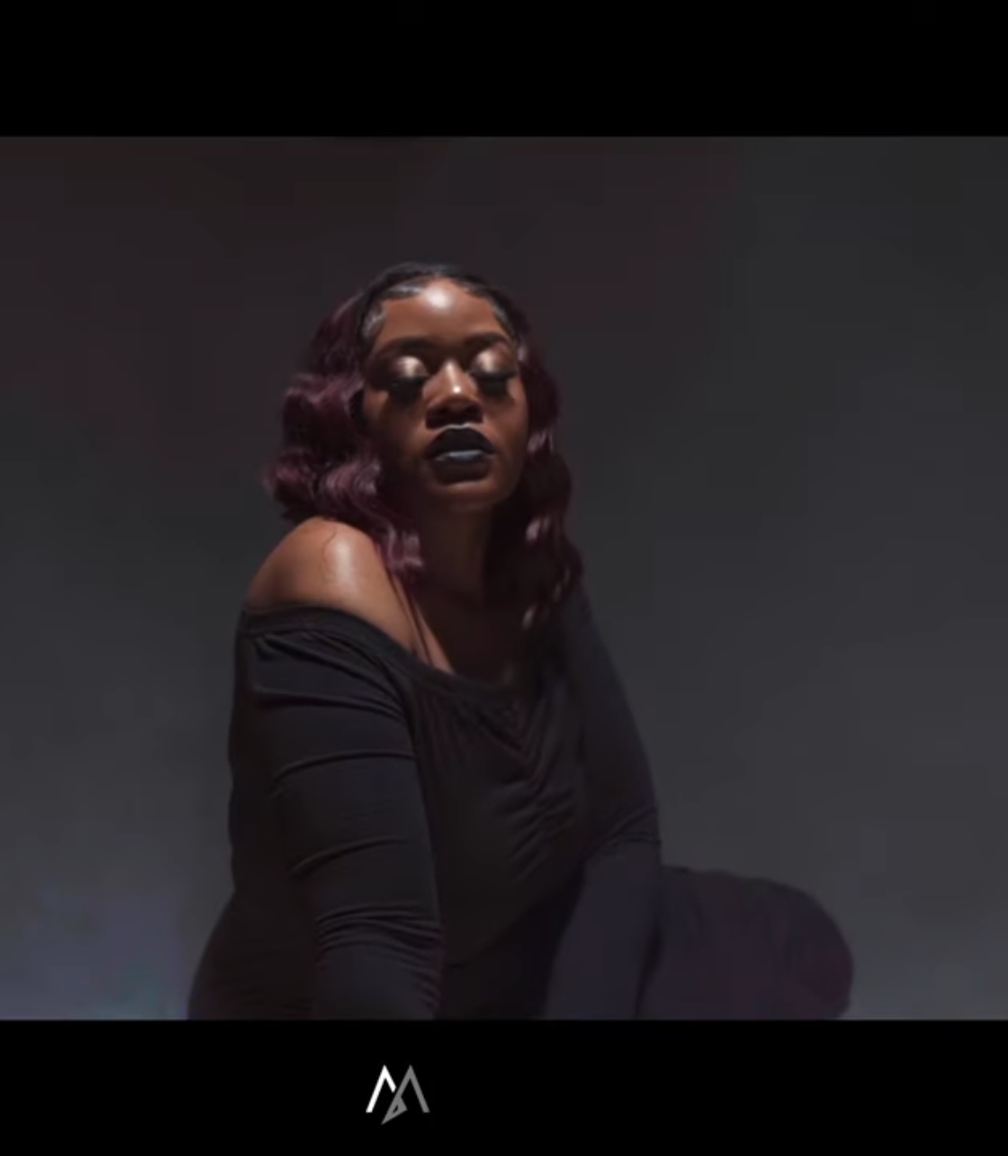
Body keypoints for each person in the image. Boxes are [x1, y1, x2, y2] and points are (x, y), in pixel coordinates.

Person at [188, 263, 853, 1019]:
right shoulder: (331, 574)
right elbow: (376, 944)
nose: (458, 396)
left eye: (492, 372)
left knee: (791, 945)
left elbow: (623, 833)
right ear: (353, 417)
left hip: (522, 965)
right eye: (409, 377)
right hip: (351, 1005)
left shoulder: (525, 562)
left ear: (525, 413)